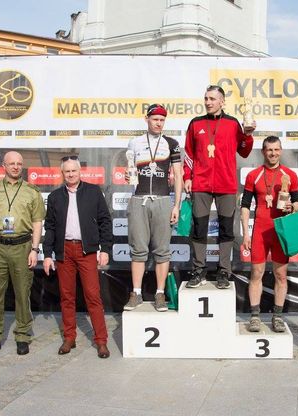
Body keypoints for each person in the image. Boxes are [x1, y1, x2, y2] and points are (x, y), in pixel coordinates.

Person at [0, 151, 45, 357]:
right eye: (11, 163)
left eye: (19, 163)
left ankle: (22, 336)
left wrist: (34, 249)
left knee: (23, 293)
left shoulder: (32, 192)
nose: (15, 167)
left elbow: (37, 222)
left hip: (22, 247)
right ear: (3, 166)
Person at [183, 84, 255, 289]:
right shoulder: (196, 123)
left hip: (226, 184)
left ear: (222, 102)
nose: (208, 102)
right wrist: (187, 177)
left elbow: (244, 151)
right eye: (206, 98)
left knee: (226, 229)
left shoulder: (232, 123)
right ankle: (199, 270)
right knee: (199, 228)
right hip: (201, 183)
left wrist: (247, 135)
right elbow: (188, 153)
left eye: (212, 99)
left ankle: (224, 271)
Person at [43, 156, 113, 358]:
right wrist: (47, 254)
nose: (71, 174)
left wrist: (105, 249)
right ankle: (69, 338)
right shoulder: (55, 197)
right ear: (62, 173)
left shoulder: (93, 191)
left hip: (86, 251)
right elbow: (50, 227)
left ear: (80, 171)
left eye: (74, 170)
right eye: (67, 171)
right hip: (64, 252)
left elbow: (105, 221)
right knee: (67, 297)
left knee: (93, 296)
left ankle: (101, 341)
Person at [123, 104, 182, 312]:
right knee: (138, 250)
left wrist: (176, 205)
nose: (158, 123)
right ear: (146, 119)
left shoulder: (172, 143)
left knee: (163, 250)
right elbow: (130, 170)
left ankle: (160, 294)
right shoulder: (135, 142)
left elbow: (178, 175)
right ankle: (136, 293)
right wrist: (127, 175)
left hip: (163, 200)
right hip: (139, 199)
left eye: (162, 120)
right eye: (155, 119)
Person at [240, 136, 298, 333]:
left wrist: (293, 207)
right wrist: (246, 233)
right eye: (269, 150)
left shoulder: (289, 175)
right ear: (263, 152)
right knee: (256, 273)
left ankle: (277, 316)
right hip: (260, 231)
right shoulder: (254, 175)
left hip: (280, 231)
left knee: (280, 275)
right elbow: (245, 206)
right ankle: (255, 316)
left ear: (280, 151)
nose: (273, 153)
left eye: (276, 149)